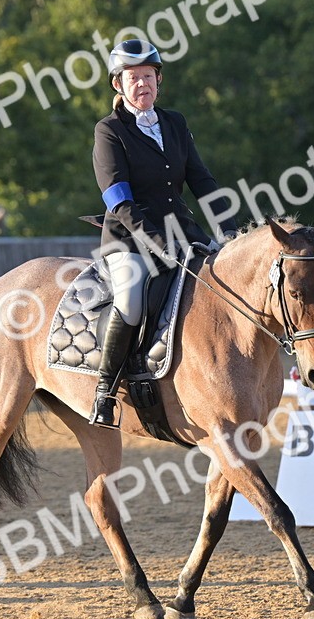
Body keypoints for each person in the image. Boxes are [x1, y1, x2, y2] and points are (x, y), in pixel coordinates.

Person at [89, 38, 238, 428]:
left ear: (159, 80)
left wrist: (230, 228)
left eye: (149, 76)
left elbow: (201, 179)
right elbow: (119, 202)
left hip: (183, 233)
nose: (143, 84)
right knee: (132, 301)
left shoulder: (174, 122)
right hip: (129, 239)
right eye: (133, 77)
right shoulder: (109, 132)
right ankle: (105, 391)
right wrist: (159, 243)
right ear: (118, 85)